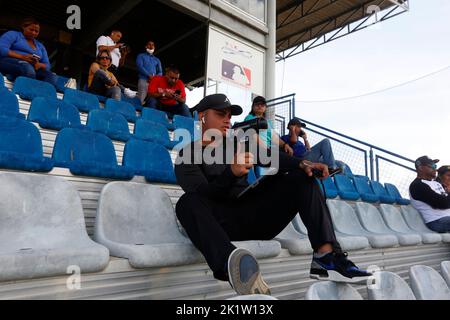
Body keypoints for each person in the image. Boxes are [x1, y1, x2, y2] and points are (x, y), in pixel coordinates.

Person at [175, 93, 371, 296]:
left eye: (229, 115)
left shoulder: (237, 144)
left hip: (254, 217)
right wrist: (230, 174)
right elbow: (203, 195)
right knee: (186, 203)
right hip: (221, 225)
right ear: (202, 117)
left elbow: (272, 156)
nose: (227, 120)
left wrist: (303, 163)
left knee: (301, 176)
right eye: (220, 114)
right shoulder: (186, 155)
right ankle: (231, 265)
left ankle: (326, 257)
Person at [0, 18, 57, 86]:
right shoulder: (13, 34)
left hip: (32, 67)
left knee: (51, 76)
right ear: (24, 27)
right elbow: (2, 49)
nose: (33, 32)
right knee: (27, 68)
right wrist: (22, 57)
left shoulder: (40, 46)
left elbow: (47, 65)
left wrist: (38, 65)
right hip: (7, 61)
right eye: (31, 29)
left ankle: (40, 94)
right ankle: (26, 91)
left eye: (36, 31)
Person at [409, 156, 450, 233]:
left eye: (435, 166)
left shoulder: (436, 183)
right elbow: (442, 204)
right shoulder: (417, 185)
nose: (435, 169)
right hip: (437, 221)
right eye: (432, 166)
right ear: (421, 168)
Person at [136, 41, 163, 105]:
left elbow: (160, 72)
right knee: (141, 98)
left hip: (154, 82)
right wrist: (149, 75)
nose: (151, 46)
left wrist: (154, 78)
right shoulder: (141, 55)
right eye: (149, 44)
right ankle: (136, 111)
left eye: (152, 45)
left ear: (154, 47)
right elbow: (139, 66)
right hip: (143, 79)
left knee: (152, 100)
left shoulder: (157, 59)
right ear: (146, 46)